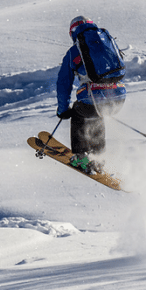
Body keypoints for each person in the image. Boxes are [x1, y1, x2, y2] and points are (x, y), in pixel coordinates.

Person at [56, 16, 126, 173]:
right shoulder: (107, 42)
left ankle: (81, 157)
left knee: (79, 113)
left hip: (93, 99)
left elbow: (63, 83)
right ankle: (98, 159)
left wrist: (62, 110)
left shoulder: (75, 51)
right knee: (98, 115)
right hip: (119, 98)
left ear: (72, 32)